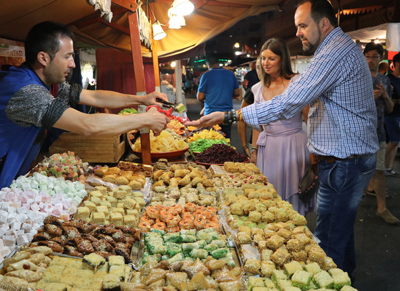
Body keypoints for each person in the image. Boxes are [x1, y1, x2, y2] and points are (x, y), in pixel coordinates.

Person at [186, 0, 378, 276]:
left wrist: (230, 116)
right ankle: (345, 277)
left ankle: (332, 280)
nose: (298, 32)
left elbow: (289, 104)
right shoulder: (338, 49)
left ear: (323, 24)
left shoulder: (333, 52)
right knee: (341, 232)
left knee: (326, 243)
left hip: (345, 163)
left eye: (303, 25)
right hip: (344, 160)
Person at [0, 21, 170, 189]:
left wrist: (142, 99)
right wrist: (147, 118)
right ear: (43, 58)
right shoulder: (26, 91)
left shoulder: (46, 83)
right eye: (67, 56)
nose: (73, 64)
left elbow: (95, 97)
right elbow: (86, 125)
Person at [249, 38, 312, 215]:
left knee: (292, 200)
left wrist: (314, 151)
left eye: (271, 58)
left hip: (293, 146)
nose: (265, 63)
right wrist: (254, 150)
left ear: (282, 59)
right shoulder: (258, 88)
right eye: (263, 58)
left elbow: (308, 117)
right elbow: (256, 123)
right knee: (268, 197)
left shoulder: (297, 83)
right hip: (267, 148)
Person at [363, 43, 398, 224]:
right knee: (356, 171)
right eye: (367, 56)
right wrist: (369, 97)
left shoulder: (385, 81)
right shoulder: (357, 78)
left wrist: (385, 96)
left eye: (374, 56)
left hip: (379, 134)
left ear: (381, 58)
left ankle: (382, 209)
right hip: (359, 135)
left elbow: (391, 109)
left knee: (380, 171)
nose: (370, 60)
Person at [197, 54, 240, 138]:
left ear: (208, 64)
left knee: (211, 141)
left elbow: (200, 97)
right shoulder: (231, 74)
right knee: (226, 140)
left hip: (210, 114)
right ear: (218, 63)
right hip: (227, 114)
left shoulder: (206, 75)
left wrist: (210, 95)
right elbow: (237, 93)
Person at [238, 57, 261, 157]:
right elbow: (240, 117)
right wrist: (245, 146)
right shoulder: (254, 90)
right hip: (256, 144)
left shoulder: (288, 87)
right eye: (259, 67)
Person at [385, 53, 400, 176]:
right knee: (394, 140)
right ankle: (378, 164)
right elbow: (386, 98)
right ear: (397, 64)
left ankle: (388, 167)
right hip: (390, 114)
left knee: (396, 141)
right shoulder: (388, 79)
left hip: (398, 114)